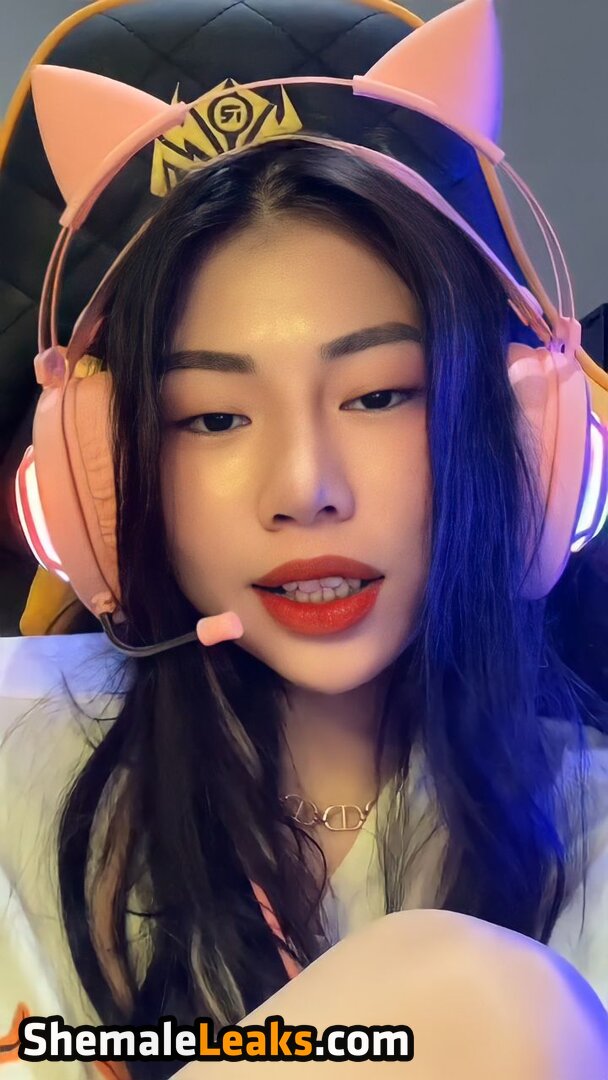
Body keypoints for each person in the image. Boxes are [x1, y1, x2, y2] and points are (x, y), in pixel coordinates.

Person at [2, 2, 608, 1077]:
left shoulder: (591, 833)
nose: (304, 490)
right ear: (101, 475)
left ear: (515, 435)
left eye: (378, 395)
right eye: (212, 418)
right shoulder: (14, 756)